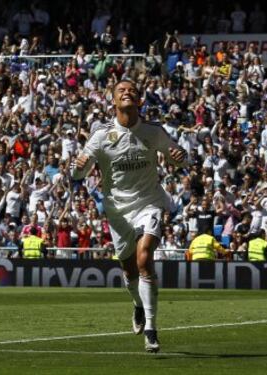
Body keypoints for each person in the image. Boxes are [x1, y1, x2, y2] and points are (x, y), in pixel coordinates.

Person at [73, 79, 187, 353]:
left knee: (144, 257)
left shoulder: (153, 131)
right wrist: (78, 167)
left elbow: (178, 159)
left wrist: (179, 156)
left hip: (149, 203)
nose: (127, 92)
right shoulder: (100, 135)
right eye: (121, 90)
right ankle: (138, 305)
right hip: (117, 211)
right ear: (113, 101)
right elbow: (78, 174)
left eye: (132, 90)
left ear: (140, 101)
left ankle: (151, 328)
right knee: (128, 269)